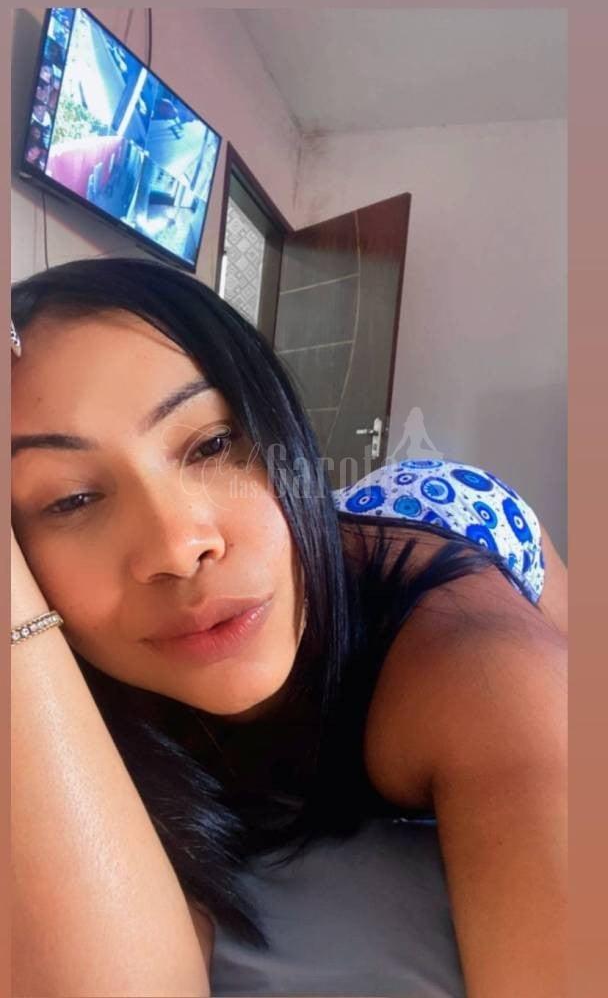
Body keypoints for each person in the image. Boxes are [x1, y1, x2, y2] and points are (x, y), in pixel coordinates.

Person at [11, 257, 567, 998]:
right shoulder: (62, 654)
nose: (178, 546)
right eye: (72, 500)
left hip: (459, 518)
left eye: (212, 444)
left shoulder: (480, 667)